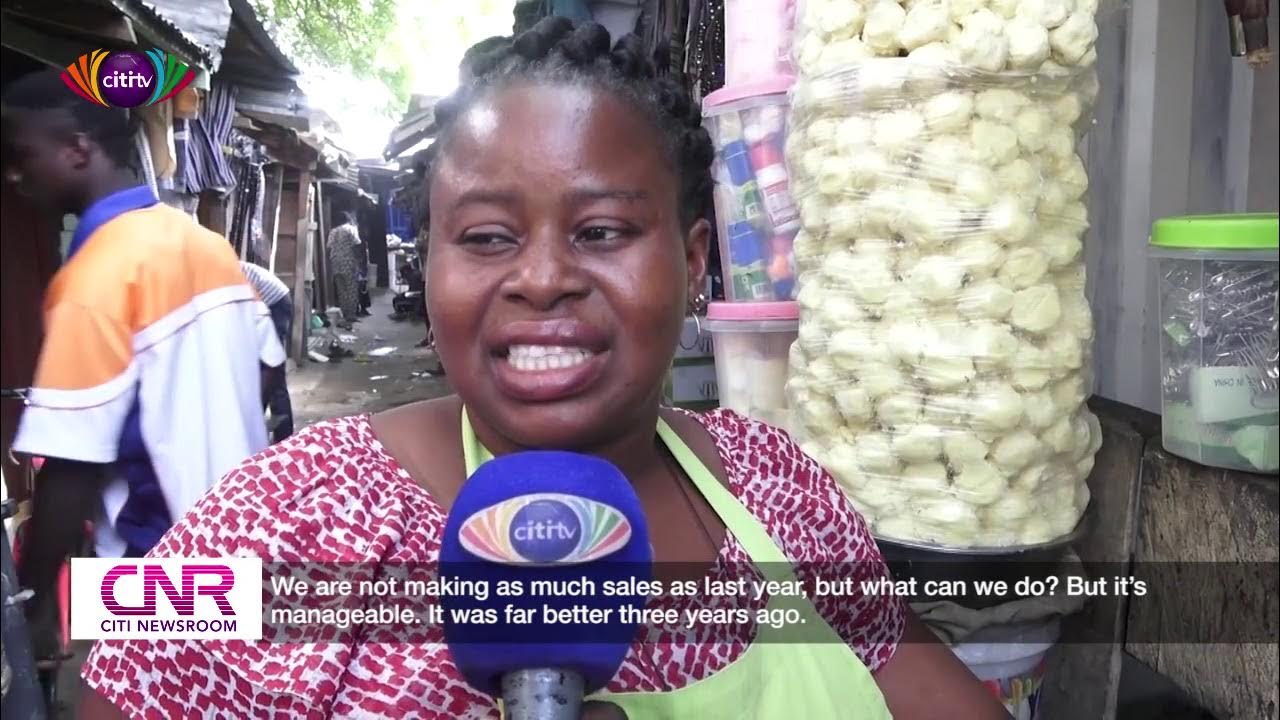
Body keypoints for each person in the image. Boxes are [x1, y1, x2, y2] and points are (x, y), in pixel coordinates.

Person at [78, 20, 1007, 719]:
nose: (544, 278)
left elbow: (903, 666)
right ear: (429, 266)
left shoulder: (778, 485)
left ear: (692, 265)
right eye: (487, 238)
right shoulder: (281, 520)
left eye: (602, 232)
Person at [0, 70, 285, 648]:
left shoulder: (93, 279)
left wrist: (30, 606)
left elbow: (73, 466)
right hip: (247, 545)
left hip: (159, 565)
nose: (13, 174)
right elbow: (267, 365)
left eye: (20, 155)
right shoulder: (203, 243)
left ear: (77, 150)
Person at [240, 260, 294, 442]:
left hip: (275, 303)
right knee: (266, 371)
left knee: (274, 372)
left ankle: (284, 438)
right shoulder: (221, 271)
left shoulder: (228, 276)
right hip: (272, 300)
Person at [325, 211, 362, 328]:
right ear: (348, 219)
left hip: (335, 263)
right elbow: (357, 245)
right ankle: (351, 315)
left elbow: (328, 247)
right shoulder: (351, 229)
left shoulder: (333, 231)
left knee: (341, 289)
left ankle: (344, 313)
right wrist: (359, 261)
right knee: (351, 289)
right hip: (348, 262)